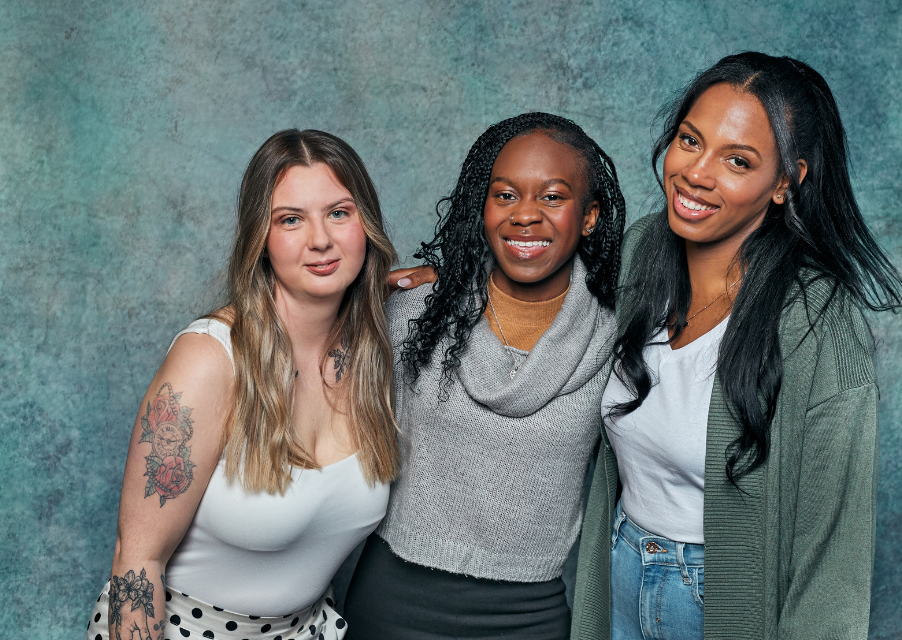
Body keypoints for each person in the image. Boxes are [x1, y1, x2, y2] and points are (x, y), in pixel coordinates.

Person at [571, 52, 902, 639]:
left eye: (737, 160)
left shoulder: (820, 323)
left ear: (785, 182)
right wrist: (450, 285)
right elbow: (544, 294)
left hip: (718, 602)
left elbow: (833, 557)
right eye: (689, 140)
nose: (696, 173)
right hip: (622, 571)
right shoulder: (642, 251)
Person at [85, 129, 399, 640]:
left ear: (366, 224)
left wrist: (425, 279)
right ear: (261, 237)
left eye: (339, 213)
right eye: (291, 220)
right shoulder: (210, 360)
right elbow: (136, 560)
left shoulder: (373, 352)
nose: (320, 239)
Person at [343, 112, 626, 639]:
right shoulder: (415, 311)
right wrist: (359, 294)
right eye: (505, 195)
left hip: (528, 619)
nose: (525, 215)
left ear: (589, 217)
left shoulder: (617, 342)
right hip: (390, 603)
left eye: (552, 197)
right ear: (483, 207)